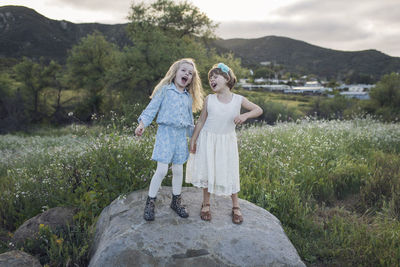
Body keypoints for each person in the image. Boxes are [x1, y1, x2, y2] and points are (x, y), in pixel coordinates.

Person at [186, 63, 263, 224]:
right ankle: (206, 204)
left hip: (226, 142)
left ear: (227, 78)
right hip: (208, 140)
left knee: (230, 171)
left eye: (215, 76)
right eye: (210, 78)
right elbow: (200, 122)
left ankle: (236, 206)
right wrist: (193, 139)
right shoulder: (210, 99)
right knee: (208, 170)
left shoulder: (238, 99)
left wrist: (244, 116)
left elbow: (258, 109)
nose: (212, 80)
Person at [135, 58, 204, 221]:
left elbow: (189, 121)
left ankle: (176, 201)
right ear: (175, 73)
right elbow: (151, 110)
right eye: (183, 71)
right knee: (162, 170)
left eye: (190, 73)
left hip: (180, 136)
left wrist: (194, 137)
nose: (187, 74)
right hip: (165, 133)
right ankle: (150, 202)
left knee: (179, 170)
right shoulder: (165, 90)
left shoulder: (188, 97)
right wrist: (142, 124)